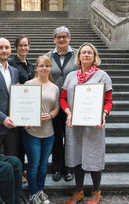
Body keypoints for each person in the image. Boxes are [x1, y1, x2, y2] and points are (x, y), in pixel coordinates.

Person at [60, 43, 113, 204]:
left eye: (90, 52)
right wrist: (68, 113)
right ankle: (79, 190)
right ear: (79, 56)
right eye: (83, 52)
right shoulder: (71, 76)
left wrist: (103, 115)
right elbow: (62, 98)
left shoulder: (102, 76)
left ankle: (96, 191)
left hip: (93, 126)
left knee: (93, 156)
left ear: (94, 56)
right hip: (74, 124)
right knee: (76, 156)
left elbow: (109, 101)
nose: (86, 55)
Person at [22, 56, 59, 204]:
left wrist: (50, 115)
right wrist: (23, 120)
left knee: (44, 164)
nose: (44, 68)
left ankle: (40, 190)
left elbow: (56, 108)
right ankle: (33, 193)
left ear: (50, 68)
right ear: (36, 68)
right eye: (41, 65)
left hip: (48, 131)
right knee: (34, 164)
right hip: (32, 131)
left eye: (47, 66)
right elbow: (22, 105)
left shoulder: (55, 87)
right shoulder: (28, 84)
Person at [45, 26, 79, 182]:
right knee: (57, 137)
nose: (62, 39)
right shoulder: (47, 57)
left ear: (69, 38)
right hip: (55, 104)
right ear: (54, 39)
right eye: (58, 37)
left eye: (65, 36)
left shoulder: (78, 55)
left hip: (73, 103)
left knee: (71, 137)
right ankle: (57, 168)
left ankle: (69, 168)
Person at [8, 35, 35, 183]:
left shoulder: (31, 65)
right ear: (16, 47)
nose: (23, 48)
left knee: (26, 141)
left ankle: (24, 169)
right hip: (16, 108)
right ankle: (17, 172)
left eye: (26, 45)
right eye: (21, 45)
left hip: (28, 108)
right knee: (16, 143)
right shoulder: (11, 64)